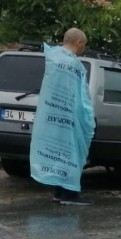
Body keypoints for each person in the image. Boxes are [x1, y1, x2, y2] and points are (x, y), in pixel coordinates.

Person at [29, 28, 96, 205]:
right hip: (69, 117)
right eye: (84, 44)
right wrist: (88, 119)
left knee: (57, 153)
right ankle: (70, 194)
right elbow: (81, 97)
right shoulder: (74, 66)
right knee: (70, 153)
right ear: (79, 43)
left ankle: (58, 192)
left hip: (50, 116)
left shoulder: (52, 57)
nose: (84, 48)